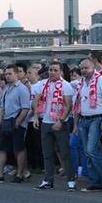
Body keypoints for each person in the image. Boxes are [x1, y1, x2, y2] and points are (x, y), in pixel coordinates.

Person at [74, 59, 102, 193]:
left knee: (92, 149)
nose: (83, 71)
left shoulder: (101, 81)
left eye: (86, 68)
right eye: (82, 68)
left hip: (97, 118)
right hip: (84, 118)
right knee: (88, 152)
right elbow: (78, 104)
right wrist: (76, 124)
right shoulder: (81, 83)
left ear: (93, 67)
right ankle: (95, 182)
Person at [33, 61, 76, 190]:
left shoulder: (66, 86)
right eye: (51, 70)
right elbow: (37, 100)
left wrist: (61, 121)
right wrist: (36, 116)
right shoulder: (42, 84)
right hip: (46, 122)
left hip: (60, 123)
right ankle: (48, 180)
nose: (52, 72)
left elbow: (68, 105)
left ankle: (71, 180)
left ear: (60, 72)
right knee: (47, 153)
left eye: (55, 70)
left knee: (65, 152)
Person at [0, 65, 31, 185]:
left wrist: (18, 122)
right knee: (1, 148)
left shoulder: (22, 89)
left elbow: (25, 107)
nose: (7, 76)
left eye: (10, 73)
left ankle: (20, 174)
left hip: (17, 122)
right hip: (6, 121)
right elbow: (2, 107)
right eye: (6, 74)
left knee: (18, 148)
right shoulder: (6, 89)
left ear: (17, 74)